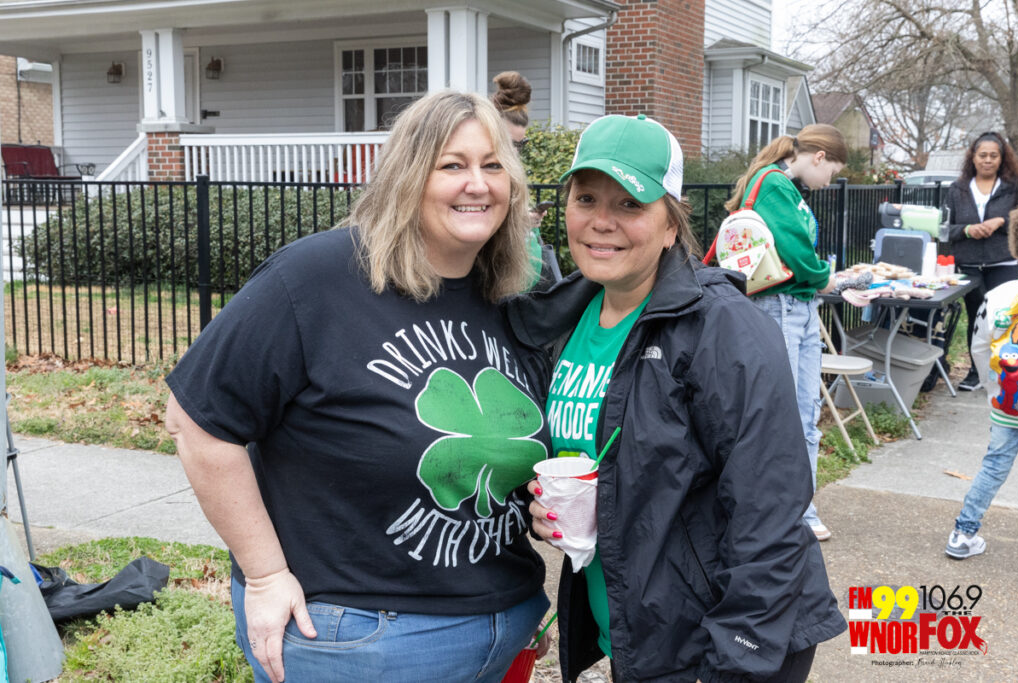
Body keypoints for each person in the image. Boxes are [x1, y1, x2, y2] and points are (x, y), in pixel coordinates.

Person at [164, 91, 551, 683]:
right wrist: (265, 575)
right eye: (452, 165)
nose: (478, 184)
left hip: (503, 628)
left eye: (493, 165)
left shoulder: (510, 294)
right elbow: (196, 422)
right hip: (361, 638)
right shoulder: (316, 278)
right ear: (407, 176)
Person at [508, 114, 846, 682]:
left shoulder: (723, 327)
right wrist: (545, 508)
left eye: (630, 204)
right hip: (641, 635)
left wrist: (734, 659)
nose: (601, 221)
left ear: (671, 223)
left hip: (718, 644)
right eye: (586, 198)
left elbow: (771, 515)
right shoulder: (569, 316)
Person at [724, 124, 845, 542]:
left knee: (803, 414)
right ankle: (788, 512)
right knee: (789, 416)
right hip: (781, 306)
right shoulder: (775, 184)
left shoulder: (780, 184)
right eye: (831, 172)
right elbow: (794, 248)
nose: (828, 181)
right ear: (818, 157)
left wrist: (820, 279)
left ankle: (796, 510)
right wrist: (826, 278)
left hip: (795, 306)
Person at [946, 203, 1018, 558]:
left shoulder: (998, 296)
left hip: (1008, 401)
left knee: (993, 467)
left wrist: (991, 388)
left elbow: (979, 348)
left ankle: (963, 534)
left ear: (1015, 247)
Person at [946, 131, 1018, 392]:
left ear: (1002, 159)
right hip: (969, 264)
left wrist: (1002, 221)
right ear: (973, 157)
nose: (988, 160)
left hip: (1004, 262)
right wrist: (968, 230)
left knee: (1004, 318)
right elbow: (944, 228)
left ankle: (1006, 372)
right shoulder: (957, 189)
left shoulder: (1015, 187)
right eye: (983, 155)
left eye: (993, 155)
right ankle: (976, 372)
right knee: (977, 317)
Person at [491, 70, 562, 289]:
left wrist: (527, 220)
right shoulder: (482, 178)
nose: (515, 151)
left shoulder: (511, 173)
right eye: (509, 143)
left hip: (524, 285)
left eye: (521, 144)